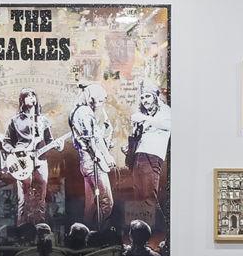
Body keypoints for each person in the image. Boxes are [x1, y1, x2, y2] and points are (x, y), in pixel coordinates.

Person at [3, 90, 54, 224]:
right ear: (22, 100)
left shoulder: (43, 120)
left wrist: (57, 145)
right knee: (23, 198)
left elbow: (50, 140)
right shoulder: (15, 120)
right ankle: (22, 227)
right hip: (23, 160)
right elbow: (6, 142)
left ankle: (40, 228)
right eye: (28, 96)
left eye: (33, 96)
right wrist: (15, 152)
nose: (31, 98)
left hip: (40, 159)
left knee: (41, 197)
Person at [69, 83, 116, 228]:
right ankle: (100, 234)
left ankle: (87, 235)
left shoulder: (76, 111)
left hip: (85, 161)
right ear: (91, 97)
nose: (100, 104)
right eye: (99, 100)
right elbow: (92, 139)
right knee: (106, 202)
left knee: (91, 205)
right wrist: (106, 156)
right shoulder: (85, 112)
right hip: (93, 161)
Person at [126, 82, 171, 220]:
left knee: (148, 197)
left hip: (152, 156)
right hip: (139, 156)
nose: (144, 100)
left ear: (155, 96)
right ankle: (141, 229)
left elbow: (168, 124)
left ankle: (159, 229)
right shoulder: (146, 114)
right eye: (142, 97)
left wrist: (144, 118)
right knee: (138, 197)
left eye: (147, 96)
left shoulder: (165, 110)